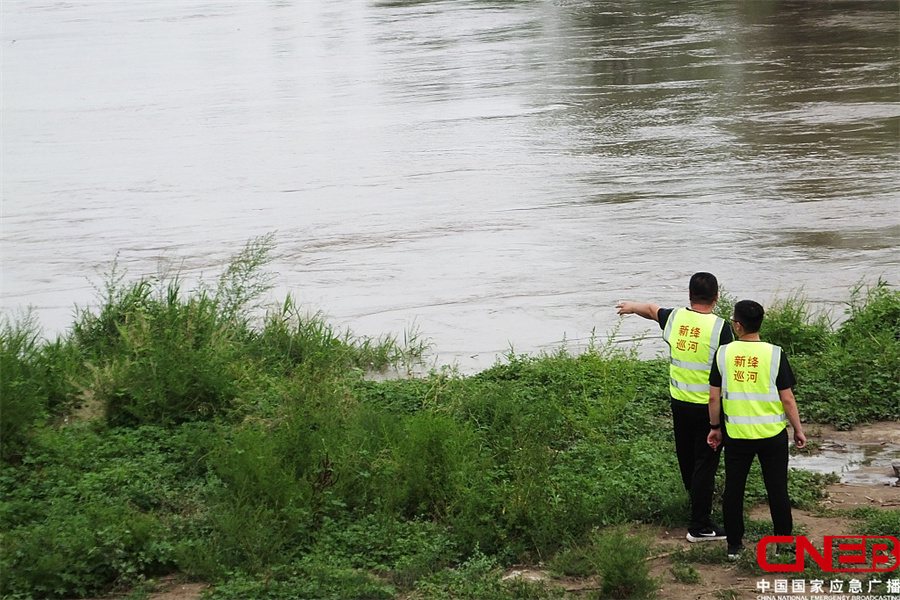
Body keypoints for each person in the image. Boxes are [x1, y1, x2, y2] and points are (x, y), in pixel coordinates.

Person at [616, 272, 732, 542]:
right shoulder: (720, 327)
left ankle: (696, 504)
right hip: (708, 406)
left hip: (679, 404)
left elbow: (651, 310)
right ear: (716, 297)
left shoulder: (675, 318)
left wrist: (631, 307)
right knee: (705, 462)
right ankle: (699, 525)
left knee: (688, 458)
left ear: (689, 295)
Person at [706, 299, 807, 560]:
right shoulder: (775, 353)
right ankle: (784, 544)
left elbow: (714, 398)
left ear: (737, 326)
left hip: (737, 436)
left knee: (734, 490)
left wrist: (715, 427)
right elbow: (787, 398)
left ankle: (734, 547)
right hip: (772, 435)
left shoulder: (723, 353)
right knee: (777, 489)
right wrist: (797, 429)